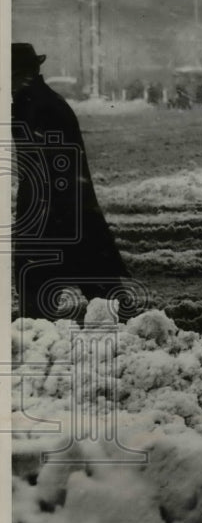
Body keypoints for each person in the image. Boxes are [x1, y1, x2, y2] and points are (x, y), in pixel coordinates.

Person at [10, 43, 135, 321]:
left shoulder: (36, 105)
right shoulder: (36, 100)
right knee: (98, 283)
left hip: (54, 212)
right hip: (68, 210)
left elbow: (46, 167)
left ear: (16, 74)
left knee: (36, 289)